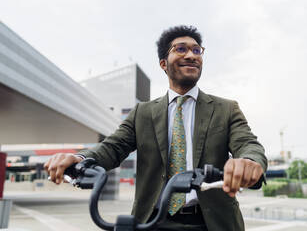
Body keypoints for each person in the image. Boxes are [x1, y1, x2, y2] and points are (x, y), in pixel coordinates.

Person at [44, 25, 267, 231]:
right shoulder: (143, 112)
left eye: (197, 51)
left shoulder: (225, 109)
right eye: (181, 49)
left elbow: (247, 143)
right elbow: (113, 146)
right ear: (163, 63)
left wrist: (250, 161)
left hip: (213, 222)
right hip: (153, 221)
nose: (191, 55)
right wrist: (81, 158)